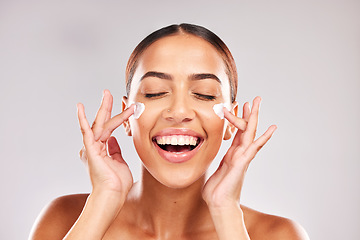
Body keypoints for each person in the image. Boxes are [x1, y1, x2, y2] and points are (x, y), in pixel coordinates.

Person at [30, 23, 309, 240]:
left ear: (231, 121)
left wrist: (226, 211)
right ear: (126, 117)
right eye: (155, 93)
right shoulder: (65, 219)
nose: (178, 111)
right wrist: (103, 201)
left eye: (204, 94)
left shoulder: (278, 235)